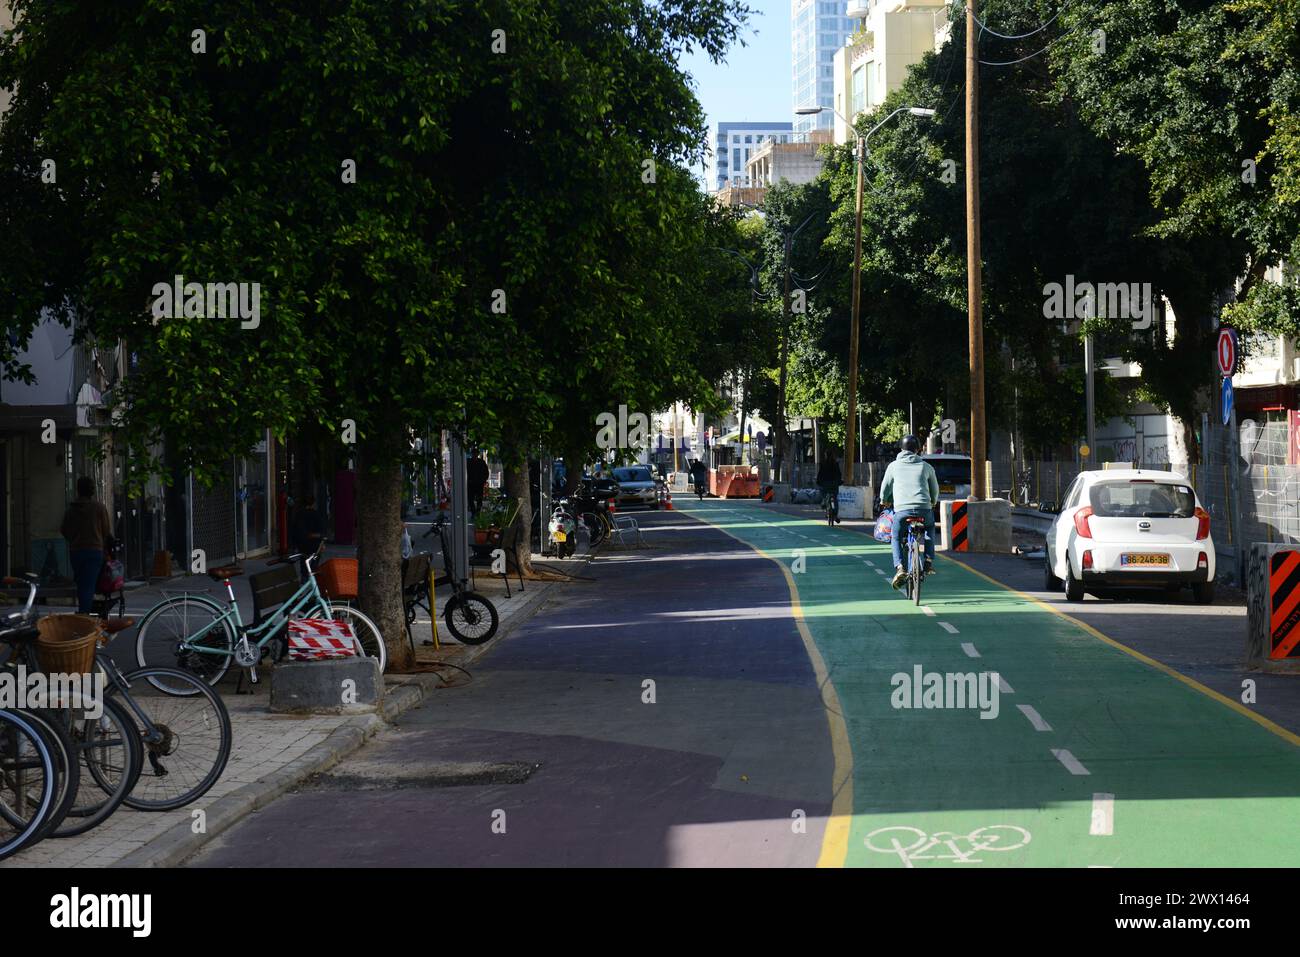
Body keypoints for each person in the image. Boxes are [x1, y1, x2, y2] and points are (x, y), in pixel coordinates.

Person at [879, 435, 939, 588]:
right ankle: (928, 561)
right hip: (924, 510)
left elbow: (885, 489)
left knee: (896, 536)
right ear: (918, 449)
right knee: (930, 529)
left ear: (901, 449)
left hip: (902, 511)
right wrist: (932, 502)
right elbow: (935, 490)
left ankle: (900, 567)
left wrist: (883, 501)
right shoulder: (926, 467)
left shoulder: (893, 466)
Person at [61, 476, 113, 613]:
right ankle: (84, 615)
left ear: (78, 490)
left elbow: (64, 530)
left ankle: (84, 611)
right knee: (89, 585)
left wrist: (75, 539)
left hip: (76, 551)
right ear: (92, 490)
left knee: (82, 583)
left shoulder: (71, 510)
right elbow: (106, 530)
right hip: (94, 551)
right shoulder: (99, 508)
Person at [291, 493, 326, 568]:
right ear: (313, 503)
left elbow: (294, 530)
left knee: (303, 558)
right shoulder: (316, 514)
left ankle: (304, 574)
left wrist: (294, 545)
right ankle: (313, 568)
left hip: (302, 543)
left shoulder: (299, 514)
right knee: (316, 555)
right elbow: (321, 531)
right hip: (314, 543)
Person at [816, 452, 843, 524]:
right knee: (835, 498)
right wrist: (839, 481)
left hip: (825, 484)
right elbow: (839, 474)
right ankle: (835, 515)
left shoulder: (823, 463)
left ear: (825, 456)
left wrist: (818, 481)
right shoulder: (835, 464)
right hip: (834, 484)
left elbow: (820, 474)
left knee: (824, 495)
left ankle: (824, 503)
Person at [467, 450, 489, 515]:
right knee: (470, 499)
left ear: (477, 454)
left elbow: (486, 472)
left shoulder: (481, 462)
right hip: (471, 484)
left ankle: (478, 512)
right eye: (474, 454)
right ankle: (474, 512)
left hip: (479, 484)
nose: (475, 455)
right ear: (472, 454)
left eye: (476, 454)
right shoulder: (468, 462)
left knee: (479, 499)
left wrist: (484, 480)